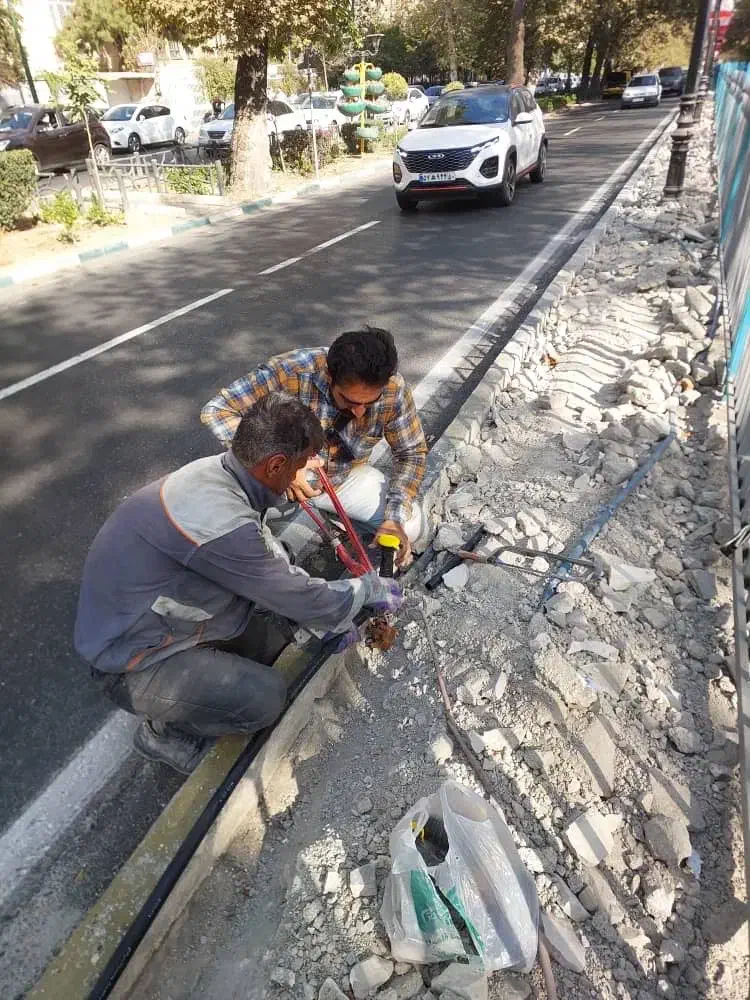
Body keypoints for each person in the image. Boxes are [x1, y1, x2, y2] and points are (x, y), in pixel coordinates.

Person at [74, 393, 402, 774]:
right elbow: (283, 585)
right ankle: (160, 732)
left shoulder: (222, 473)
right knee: (264, 698)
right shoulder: (218, 523)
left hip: (169, 617)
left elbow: (273, 563)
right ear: (276, 464)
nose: (310, 473)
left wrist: (320, 617)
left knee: (279, 627)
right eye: (302, 464)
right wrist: (363, 591)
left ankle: (207, 668)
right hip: (132, 658)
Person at [201, 328, 428, 567]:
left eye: (369, 403)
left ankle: (340, 519)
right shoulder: (290, 371)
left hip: (340, 480)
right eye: (350, 401)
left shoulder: (394, 389)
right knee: (246, 556)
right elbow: (216, 411)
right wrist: (284, 464)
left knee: (410, 528)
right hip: (273, 479)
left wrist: (394, 519)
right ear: (330, 376)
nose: (360, 411)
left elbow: (411, 453)